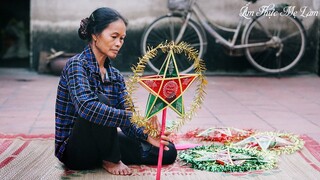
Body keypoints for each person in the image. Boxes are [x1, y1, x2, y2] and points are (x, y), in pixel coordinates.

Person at [54, 7, 177, 176]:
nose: (119, 43)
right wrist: (130, 116)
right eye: (114, 37)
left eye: (122, 38)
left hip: (101, 142)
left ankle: (107, 154)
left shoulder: (116, 75)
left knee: (167, 151)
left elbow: (128, 117)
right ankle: (111, 159)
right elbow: (87, 108)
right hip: (76, 151)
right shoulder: (76, 65)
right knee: (99, 102)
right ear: (95, 35)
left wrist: (146, 135)